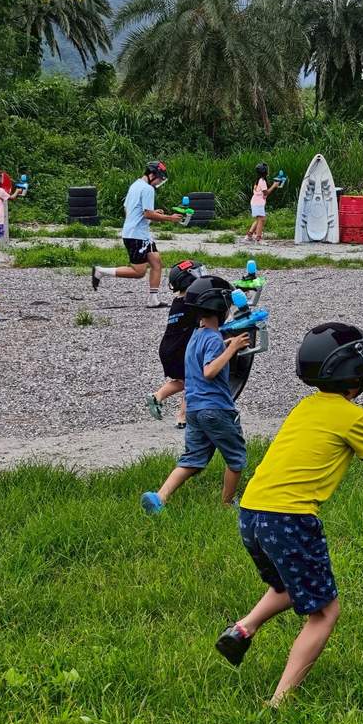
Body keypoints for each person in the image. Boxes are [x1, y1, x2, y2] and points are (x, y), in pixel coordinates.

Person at [214, 323, 363, 707]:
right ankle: (279, 702)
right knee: (325, 612)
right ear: (351, 370)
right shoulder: (353, 417)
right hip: (290, 520)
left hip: (251, 512)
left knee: (285, 585)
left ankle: (243, 629)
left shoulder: (306, 405)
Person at [141, 275, 250, 512]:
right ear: (220, 308)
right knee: (236, 459)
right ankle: (227, 504)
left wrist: (226, 343)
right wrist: (231, 348)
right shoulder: (214, 340)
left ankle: (159, 497)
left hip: (194, 410)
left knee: (192, 459)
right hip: (217, 409)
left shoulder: (195, 337)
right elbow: (209, 371)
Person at [91, 161, 183, 307]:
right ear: (152, 175)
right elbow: (147, 214)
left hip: (141, 234)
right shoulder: (148, 189)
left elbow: (129, 208)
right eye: (159, 178)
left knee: (156, 262)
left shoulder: (135, 185)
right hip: (136, 236)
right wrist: (169, 218)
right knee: (139, 272)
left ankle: (153, 300)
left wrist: (152, 214)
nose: (159, 182)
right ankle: (101, 271)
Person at [147, 259, 205, 428]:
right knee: (194, 380)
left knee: (183, 381)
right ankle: (182, 417)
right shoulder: (191, 302)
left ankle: (157, 396)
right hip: (179, 350)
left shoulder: (178, 301)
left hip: (169, 349)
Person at [245, 162, 281, 243]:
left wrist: (274, 186)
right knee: (262, 219)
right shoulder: (262, 181)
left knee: (259, 219)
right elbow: (266, 193)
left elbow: (262, 193)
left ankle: (249, 235)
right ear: (265, 171)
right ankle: (258, 238)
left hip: (255, 202)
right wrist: (274, 186)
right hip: (258, 203)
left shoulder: (258, 180)